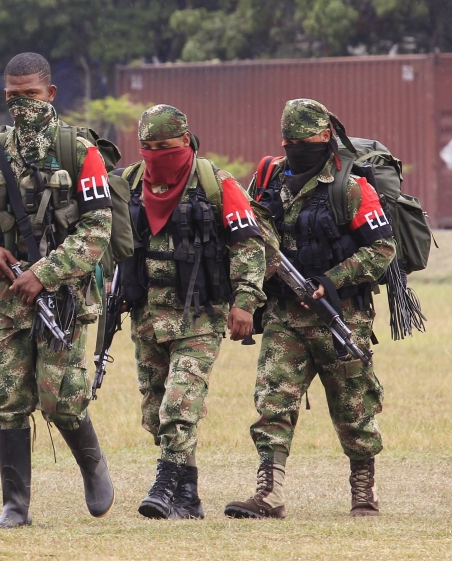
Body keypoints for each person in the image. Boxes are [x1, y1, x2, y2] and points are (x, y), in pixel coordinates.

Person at [0, 52, 115, 528]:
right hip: (8, 294)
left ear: (50, 94)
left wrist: (45, 273)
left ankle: (92, 465)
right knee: (7, 398)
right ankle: (15, 507)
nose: (21, 104)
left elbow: (97, 229)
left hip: (64, 296)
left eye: (30, 95)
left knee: (59, 398)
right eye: (12, 96)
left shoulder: (79, 151)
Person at [225, 99, 394, 519]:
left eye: (304, 140)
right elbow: (249, 233)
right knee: (272, 403)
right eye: (288, 141)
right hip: (285, 315)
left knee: (353, 406)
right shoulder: (268, 179)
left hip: (342, 317)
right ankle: (269, 493)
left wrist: (330, 280)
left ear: (325, 138)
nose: (295, 147)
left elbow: (383, 249)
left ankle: (363, 491)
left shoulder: (350, 187)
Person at [115, 105, 266, 520]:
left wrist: (245, 303)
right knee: (155, 408)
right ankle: (189, 496)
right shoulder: (127, 183)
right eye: (147, 147)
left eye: (164, 147)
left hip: (200, 315)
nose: (155, 155)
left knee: (179, 403)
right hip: (148, 316)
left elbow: (249, 247)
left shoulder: (216, 184)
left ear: (185, 141)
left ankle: (163, 486)